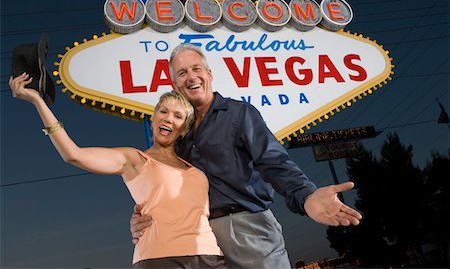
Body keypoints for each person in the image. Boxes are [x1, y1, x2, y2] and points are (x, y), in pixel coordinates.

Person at [130, 43, 363, 269]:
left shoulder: (239, 114)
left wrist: (306, 195)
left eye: (196, 69)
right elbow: (161, 185)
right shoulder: (176, 134)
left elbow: (273, 161)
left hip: (246, 229)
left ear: (209, 74)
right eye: (182, 73)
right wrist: (142, 217)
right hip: (194, 239)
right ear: (174, 84)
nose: (191, 77)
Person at [9, 73, 227, 269]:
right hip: (161, 259)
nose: (169, 118)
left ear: (184, 129)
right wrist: (37, 101)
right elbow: (73, 154)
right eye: (163, 111)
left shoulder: (197, 171)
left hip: (210, 258)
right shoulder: (135, 159)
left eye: (178, 116)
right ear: (153, 119)